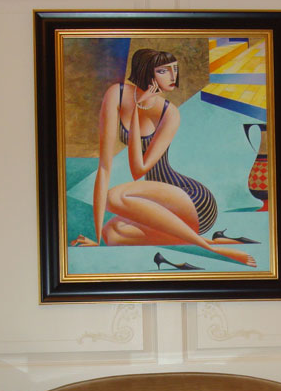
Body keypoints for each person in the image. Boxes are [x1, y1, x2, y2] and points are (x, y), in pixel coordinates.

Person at [69, 48, 256, 266]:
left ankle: (214, 249)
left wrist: (137, 111)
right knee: (112, 233)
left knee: (115, 196)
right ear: (146, 72)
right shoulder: (116, 95)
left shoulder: (169, 113)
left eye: (174, 69)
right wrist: (96, 238)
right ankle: (211, 240)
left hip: (192, 201)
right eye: (163, 70)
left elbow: (138, 170)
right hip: (159, 206)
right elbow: (104, 167)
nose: (173, 75)